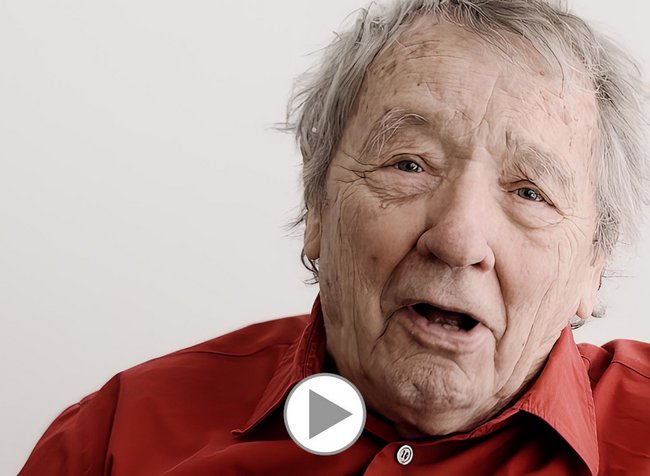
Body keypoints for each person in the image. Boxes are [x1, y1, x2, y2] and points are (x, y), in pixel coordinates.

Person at [20, 0, 650, 474]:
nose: (458, 240)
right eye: (409, 164)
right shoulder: (115, 440)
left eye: (530, 192)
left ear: (592, 266)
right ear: (317, 203)